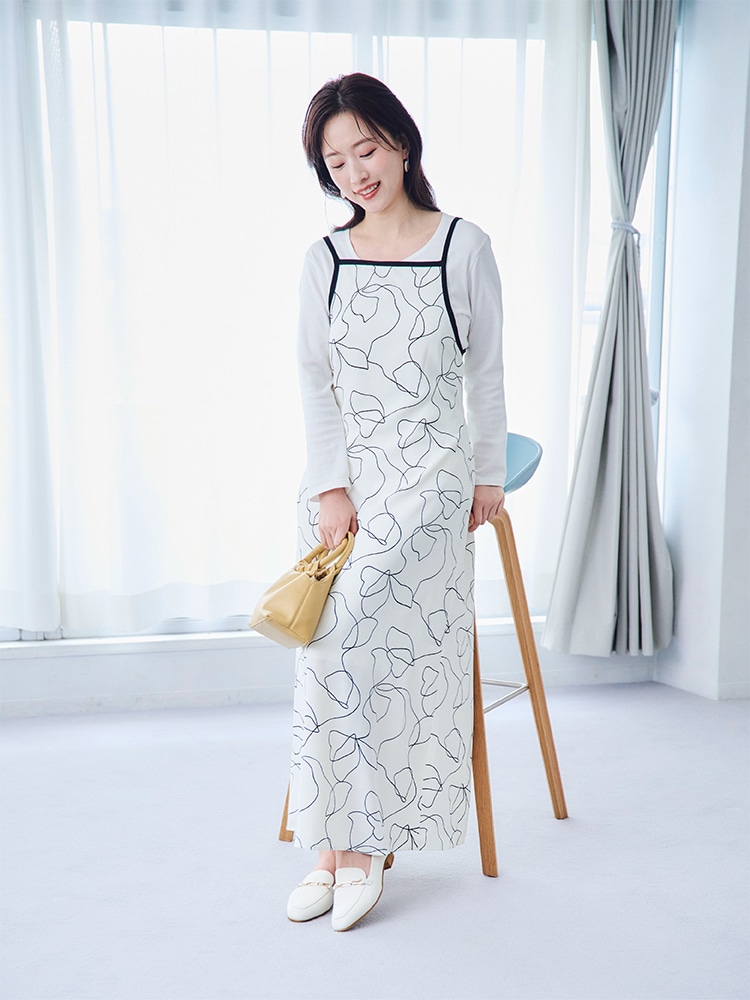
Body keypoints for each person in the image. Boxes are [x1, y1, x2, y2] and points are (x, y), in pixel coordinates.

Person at [285, 73, 507, 932]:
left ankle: (366, 843)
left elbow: (485, 373)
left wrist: (487, 473)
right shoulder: (325, 258)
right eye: (336, 162)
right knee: (325, 641)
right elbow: (314, 381)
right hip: (346, 484)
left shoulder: (462, 246)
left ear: (402, 144)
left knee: (350, 626)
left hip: (431, 478)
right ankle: (330, 846)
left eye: (366, 150)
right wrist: (328, 487)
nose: (355, 173)